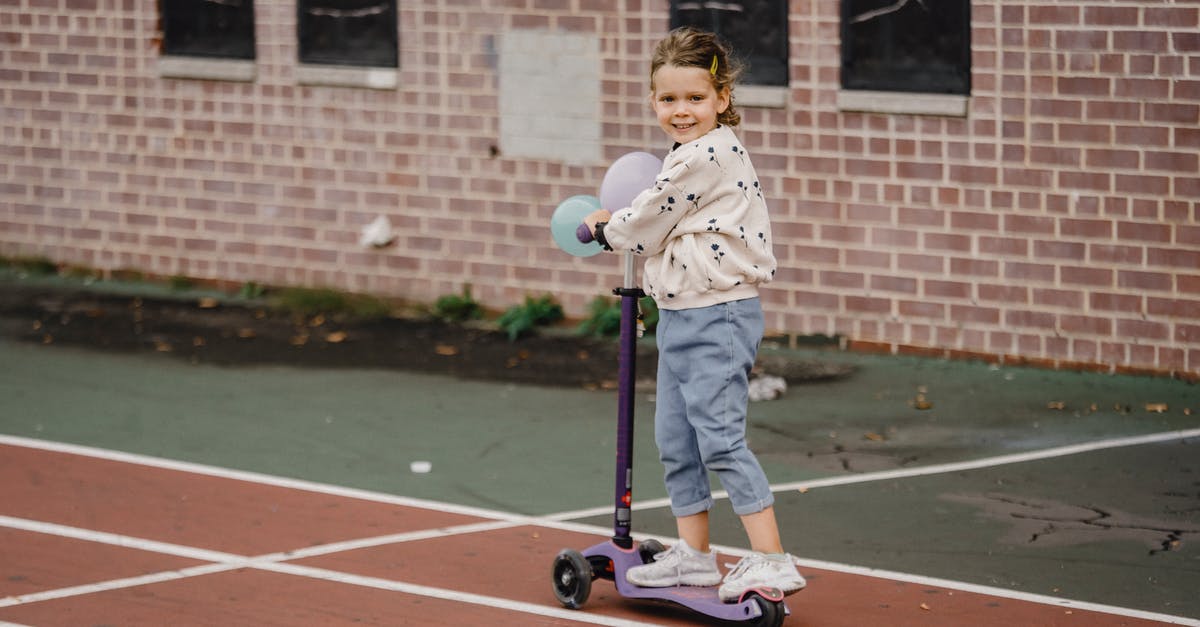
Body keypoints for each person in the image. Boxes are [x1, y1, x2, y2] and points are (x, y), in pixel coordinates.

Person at [583, 27, 806, 603]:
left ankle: (773, 561)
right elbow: (666, 228)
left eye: (695, 98)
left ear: (723, 99)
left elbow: (648, 222)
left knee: (720, 440)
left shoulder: (710, 153)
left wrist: (604, 227)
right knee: (677, 440)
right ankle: (695, 556)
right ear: (653, 101)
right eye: (668, 99)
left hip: (719, 317)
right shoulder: (684, 156)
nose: (681, 111)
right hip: (683, 316)